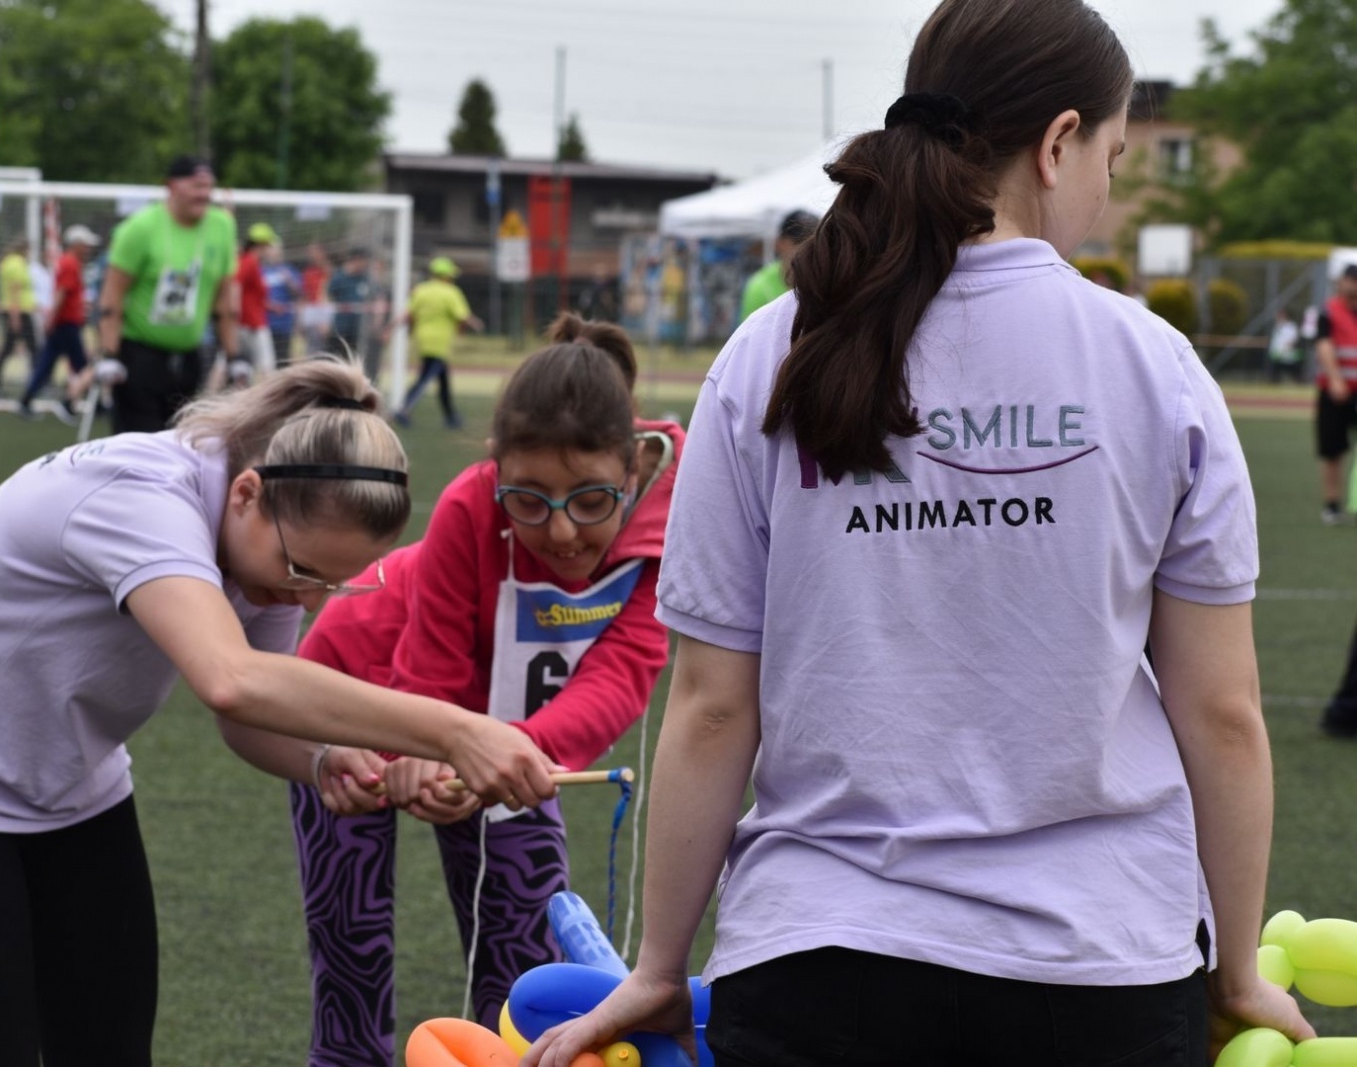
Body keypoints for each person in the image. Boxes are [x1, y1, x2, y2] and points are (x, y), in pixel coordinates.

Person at [524, 2, 1313, 1066]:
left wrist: (660, 965)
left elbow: (711, 705)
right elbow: (1220, 711)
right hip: (1099, 970)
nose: (1106, 187)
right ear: (1058, 143)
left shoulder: (766, 351)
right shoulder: (1153, 364)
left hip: (816, 965)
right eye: (1114, 159)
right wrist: (1236, 971)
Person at [0, 357, 559, 1066]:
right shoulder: (142, 495)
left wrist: (322, 760)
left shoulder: (268, 544)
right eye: (302, 573)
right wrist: (457, 730)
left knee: (110, 1051)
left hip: (71, 777)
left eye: (331, 585)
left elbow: (252, 715)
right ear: (246, 494)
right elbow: (230, 680)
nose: (307, 601)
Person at [221, 315, 683, 1065]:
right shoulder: (471, 504)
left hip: (509, 735)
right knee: (351, 943)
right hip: (361, 689)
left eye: (591, 499)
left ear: (631, 472)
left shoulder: (672, 530)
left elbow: (620, 676)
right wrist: (426, 749)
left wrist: (507, 753)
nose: (562, 530)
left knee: (528, 965)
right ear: (495, 472)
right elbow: (429, 656)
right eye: (527, 499)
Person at [98, 156, 240, 434]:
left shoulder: (222, 226)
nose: (203, 194)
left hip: (188, 357)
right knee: (140, 441)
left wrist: (235, 356)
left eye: (208, 187)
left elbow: (225, 299)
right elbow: (112, 294)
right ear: (172, 186)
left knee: (181, 440)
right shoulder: (140, 228)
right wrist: (109, 353)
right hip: (139, 356)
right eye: (196, 186)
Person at [19, 224, 100, 423]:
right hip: (66, 324)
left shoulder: (70, 263)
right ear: (76, 244)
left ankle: (27, 399)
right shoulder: (69, 263)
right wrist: (52, 318)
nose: (88, 249)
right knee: (81, 365)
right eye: (85, 244)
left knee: (48, 363)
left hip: (64, 323)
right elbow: (61, 294)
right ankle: (76, 403)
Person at [395, 256, 481, 429]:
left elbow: (408, 315)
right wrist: (476, 324)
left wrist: (390, 328)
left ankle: (451, 416)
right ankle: (404, 409)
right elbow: (462, 316)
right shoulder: (451, 292)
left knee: (442, 379)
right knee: (425, 377)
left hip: (422, 340)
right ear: (446, 275)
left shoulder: (420, 290)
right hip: (440, 342)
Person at [1312, 265, 1357, 524]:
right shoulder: (1328, 311)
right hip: (1335, 392)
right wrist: (1336, 379)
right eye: (1350, 280)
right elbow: (1324, 345)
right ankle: (1332, 505)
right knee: (1333, 450)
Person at [738, 209, 818, 324]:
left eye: (813, 242)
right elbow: (750, 329)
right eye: (798, 241)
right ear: (779, 243)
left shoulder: (827, 280)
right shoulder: (760, 284)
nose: (805, 248)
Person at [0, 238, 38, 394]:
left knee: (8, 349)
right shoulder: (17, 264)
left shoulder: (7, 263)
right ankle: (37, 382)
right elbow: (15, 292)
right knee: (33, 348)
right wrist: (15, 317)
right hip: (19, 312)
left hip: (13, 311)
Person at [238, 223, 278, 380]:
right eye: (268, 245)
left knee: (232, 367)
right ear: (261, 245)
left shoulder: (247, 261)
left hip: (243, 323)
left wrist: (270, 306)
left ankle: (208, 392)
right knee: (267, 368)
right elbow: (235, 287)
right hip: (253, 325)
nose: (270, 249)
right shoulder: (249, 262)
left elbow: (250, 296)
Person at [326, 246, 372, 359]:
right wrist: (324, 321)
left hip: (357, 330)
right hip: (339, 329)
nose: (365, 264)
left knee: (354, 359)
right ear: (355, 260)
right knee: (336, 358)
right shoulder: (339, 277)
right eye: (363, 260)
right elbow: (327, 297)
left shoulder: (365, 278)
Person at [264, 241, 302, 369]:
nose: (273, 254)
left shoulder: (289, 270)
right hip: (265, 324)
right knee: (267, 360)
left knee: (283, 359)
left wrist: (289, 280)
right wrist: (270, 305)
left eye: (276, 251)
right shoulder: (262, 271)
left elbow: (299, 293)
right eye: (271, 251)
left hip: (284, 324)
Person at [1266, 306, 1303, 384]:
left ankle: (1297, 381)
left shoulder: (1291, 326)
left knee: (1292, 369)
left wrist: (1287, 347)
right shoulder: (1276, 326)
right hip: (1276, 353)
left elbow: (1294, 339)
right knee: (1274, 369)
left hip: (1286, 353)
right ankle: (1274, 381)